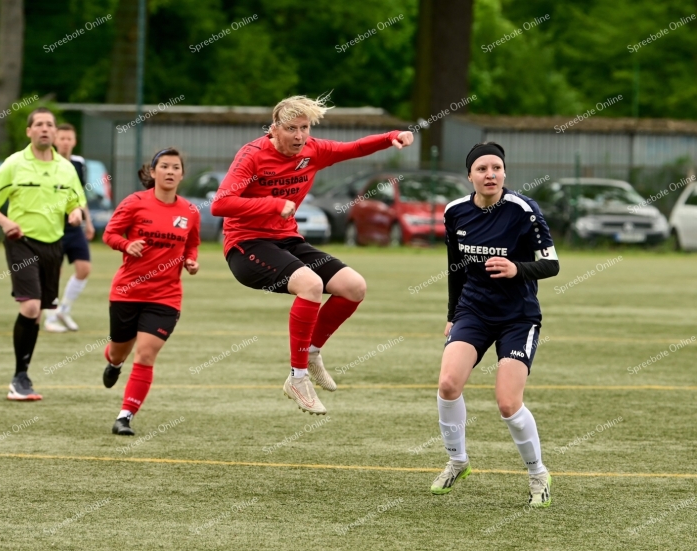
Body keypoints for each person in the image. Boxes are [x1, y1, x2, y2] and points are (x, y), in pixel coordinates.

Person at [211, 94, 413, 415]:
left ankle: (313, 351)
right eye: (292, 128)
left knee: (354, 287)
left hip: (287, 240)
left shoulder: (312, 150)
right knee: (311, 285)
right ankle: (298, 378)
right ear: (274, 129)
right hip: (246, 246)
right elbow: (220, 204)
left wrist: (391, 138)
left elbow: (355, 148)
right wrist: (273, 205)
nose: (299, 136)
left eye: (304, 128)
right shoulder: (252, 156)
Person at [431, 142, 560, 507]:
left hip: (518, 317)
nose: (491, 175)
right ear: (470, 175)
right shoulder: (456, 212)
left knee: (507, 403)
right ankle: (458, 462)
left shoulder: (523, 210)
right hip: (473, 311)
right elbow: (455, 268)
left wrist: (517, 269)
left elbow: (551, 264)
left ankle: (538, 474)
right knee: (448, 383)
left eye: (497, 168)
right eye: (483, 169)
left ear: (504, 173)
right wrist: (453, 314)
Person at [0, 108, 85, 401]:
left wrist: (75, 213)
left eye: (49, 124)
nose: (45, 129)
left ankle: (22, 375)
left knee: (36, 313)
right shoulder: (14, 164)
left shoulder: (65, 168)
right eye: (38, 124)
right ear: (29, 132)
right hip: (20, 241)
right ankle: (19, 378)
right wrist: (5, 222)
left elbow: (75, 202)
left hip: (53, 245)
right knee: (30, 307)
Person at [102, 147, 199, 436]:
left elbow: (191, 244)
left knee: (145, 355)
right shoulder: (134, 203)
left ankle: (125, 417)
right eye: (165, 166)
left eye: (176, 167)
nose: (170, 171)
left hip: (165, 297)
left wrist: (191, 261)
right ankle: (113, 362)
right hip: (127, 291)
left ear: (182, 174)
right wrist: (126, 245)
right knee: (120, 350)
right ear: (153, 172)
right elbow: (110, 234)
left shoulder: (190, 211)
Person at [44, 123, 95, 333]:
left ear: (74, 141)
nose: (65, 142)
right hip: (52, 225)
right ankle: (50, 316)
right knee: (54, 271)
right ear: (55, 140)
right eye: (61, 138)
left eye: (69, 138)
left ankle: (64, 309)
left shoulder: (79, 164)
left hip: (74, 225)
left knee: (84, 268)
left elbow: (79, 195)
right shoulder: (47, 163)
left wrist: (88, 221)